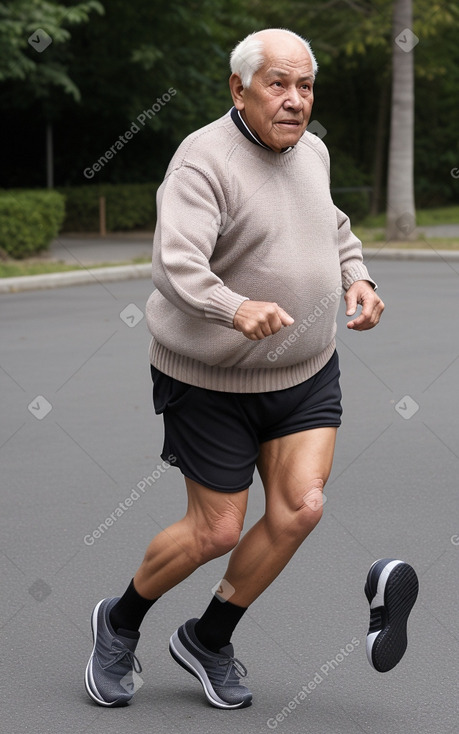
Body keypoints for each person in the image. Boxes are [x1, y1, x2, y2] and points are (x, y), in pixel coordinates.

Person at [85, 27, 385, 710]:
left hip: (307, 370)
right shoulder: (203, 161)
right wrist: (232, 306)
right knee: (215, 530)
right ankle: (120, 620)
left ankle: (208, 639)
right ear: (238, 88)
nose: (294, 100)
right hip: (209, 380)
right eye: (278, 84)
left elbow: (332, 226)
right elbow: (177, 264)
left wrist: (357, 276)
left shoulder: (312, 150)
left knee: (301, 507)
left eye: (304, 85)